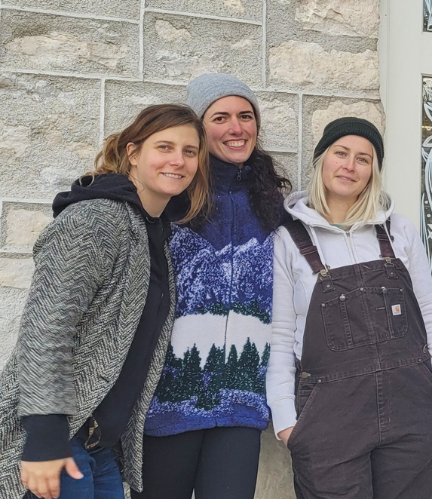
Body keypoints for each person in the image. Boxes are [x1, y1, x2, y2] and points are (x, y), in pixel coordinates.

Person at [0, 104, 209, 499]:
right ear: (133, 152)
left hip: (101, 448)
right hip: (61, 440)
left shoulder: (155, 234)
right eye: (164, 147)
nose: (178, 160)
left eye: (189, 151)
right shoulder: (96, 220)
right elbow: (46, 329)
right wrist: (45, 437)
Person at [267, 117, 432, 499]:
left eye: (363, 158)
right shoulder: (288, 241)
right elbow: (280, 335)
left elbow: (430, 314)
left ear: (373, 172)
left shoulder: (397, 232)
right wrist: (286, 420)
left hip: (413, 409)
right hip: (329, 418)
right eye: (341, 153)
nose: (349, 166)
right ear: (322, 160)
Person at [136, 74, 290, 499]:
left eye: (246, 116)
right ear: (199, 128)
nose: (236, 128)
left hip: (242, 405)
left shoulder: (274, 206)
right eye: (220, 117)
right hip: (165, 403)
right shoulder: (171, 199)